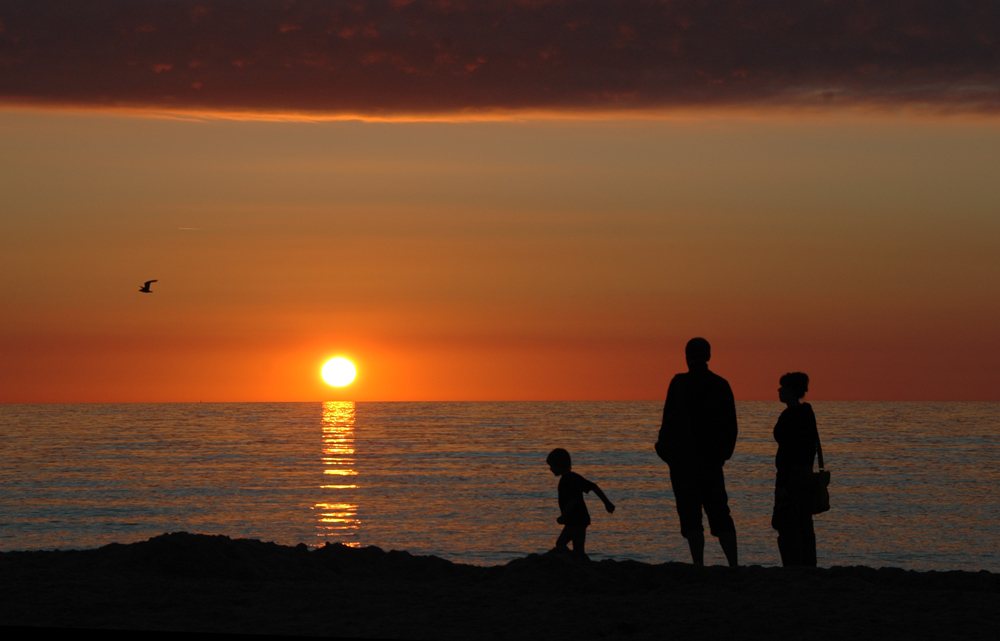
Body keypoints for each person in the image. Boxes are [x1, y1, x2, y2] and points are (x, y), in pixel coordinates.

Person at [657, 337, 739, 566]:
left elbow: (667, 421)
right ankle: (733, 565)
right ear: (709, 356)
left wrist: (666, 452)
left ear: (687, 356)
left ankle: (698, 565)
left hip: (683, 460)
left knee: (690, 515)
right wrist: (722, 455)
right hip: (710, 460)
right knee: (720, 513)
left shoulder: (679, 383)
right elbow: (731, 426)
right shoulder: (720, 384)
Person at [771, 371, 819, 566]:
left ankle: (793, 564)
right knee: (803, 521)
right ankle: (807, 564)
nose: (779, 390)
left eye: (783, 387)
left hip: (790, 476)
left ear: (791, 390)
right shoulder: (807, 413)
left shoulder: (791, 415)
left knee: (788, 522)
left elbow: (788, 448)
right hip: (804, 474)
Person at [546, 448, 615, 559]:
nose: (550, 469)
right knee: (560, 544)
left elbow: (572, 500)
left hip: (577, 520)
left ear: (559, 465)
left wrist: (563, 516)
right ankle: (573, 564)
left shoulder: (567, 481)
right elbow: (594, 487)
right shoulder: (575, 477)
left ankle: (582, 568)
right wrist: (607, 503)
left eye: (552, 466)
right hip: (573, 520)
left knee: (577, 550)